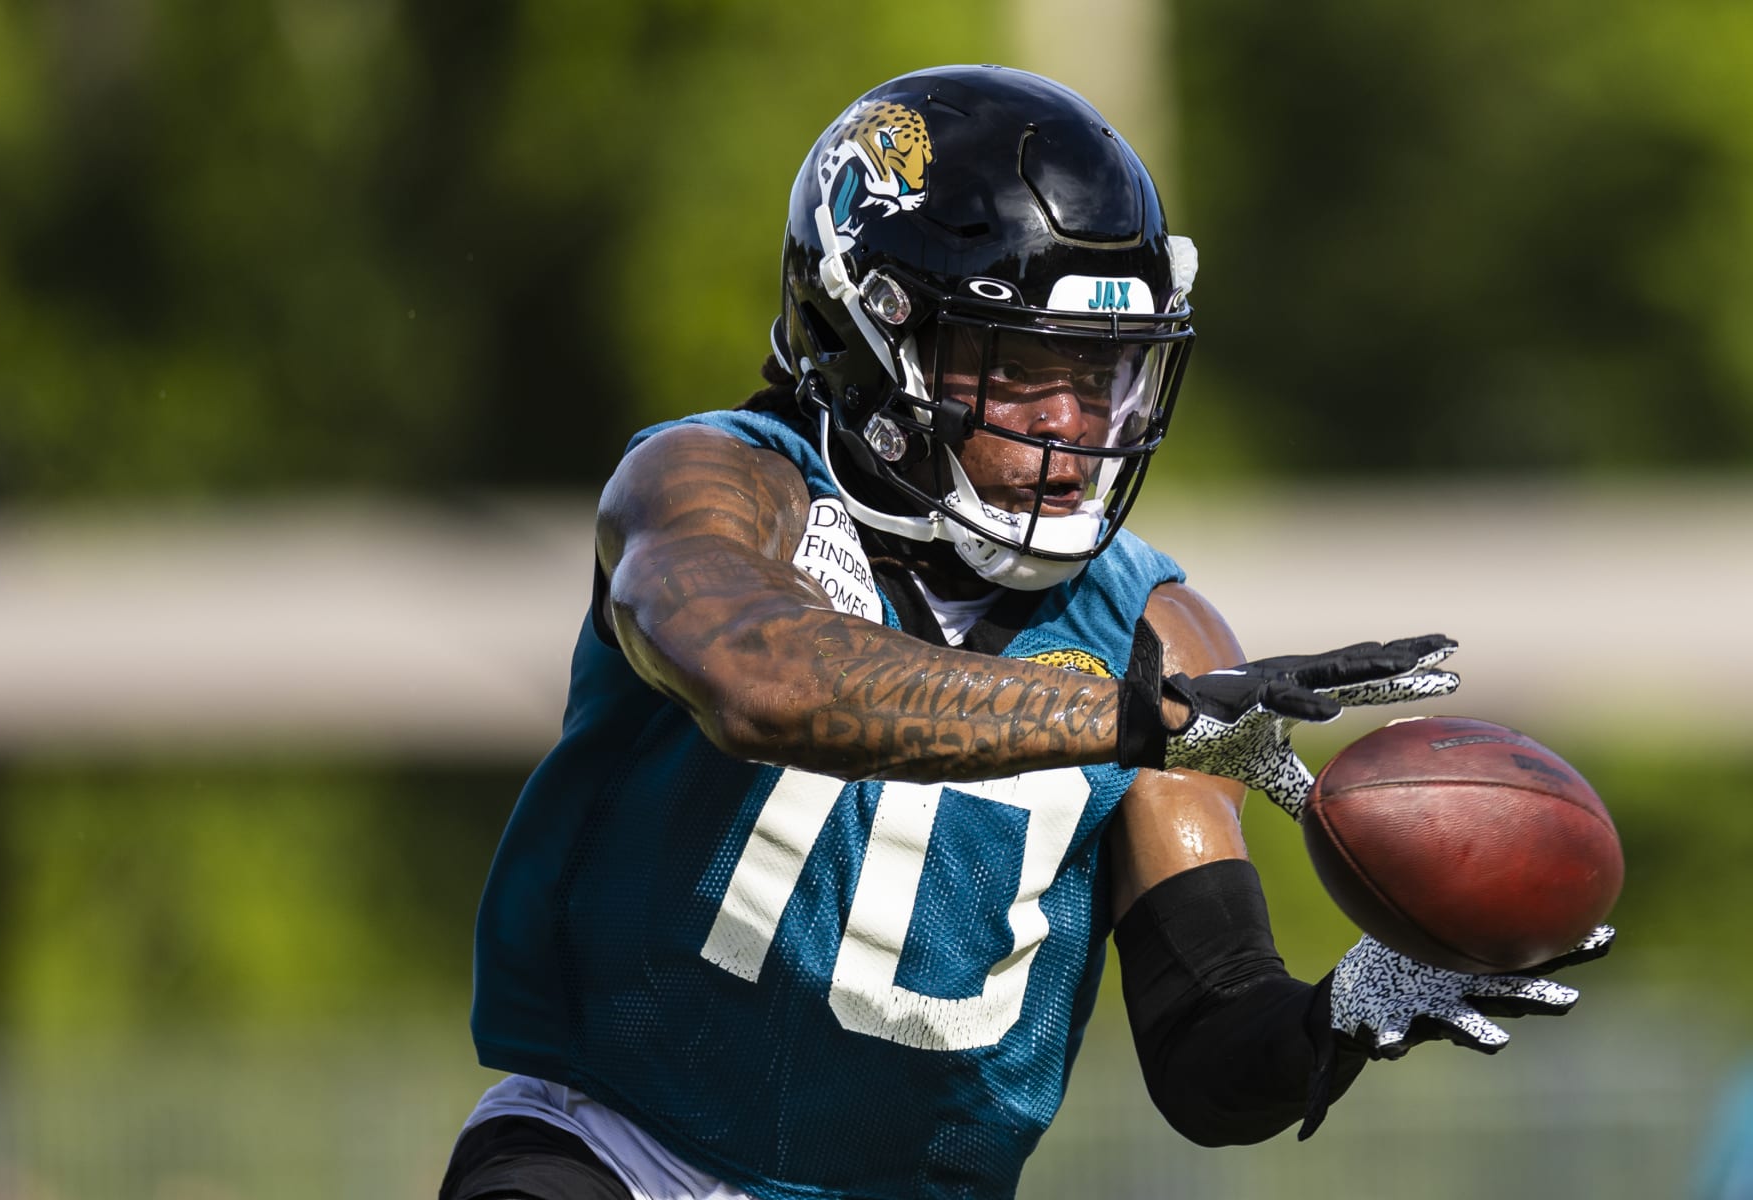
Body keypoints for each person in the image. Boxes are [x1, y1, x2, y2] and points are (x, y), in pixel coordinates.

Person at [439, 64, 1612, 1200]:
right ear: (875, 334)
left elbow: (1208, 1049)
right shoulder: (719, 485)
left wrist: (1339, 1012)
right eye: (1023, 372)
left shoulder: (1158, 631)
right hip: (615, 1150)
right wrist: (1130, 722)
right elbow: (758, 676)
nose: (1075, 428)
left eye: (1104, 377)